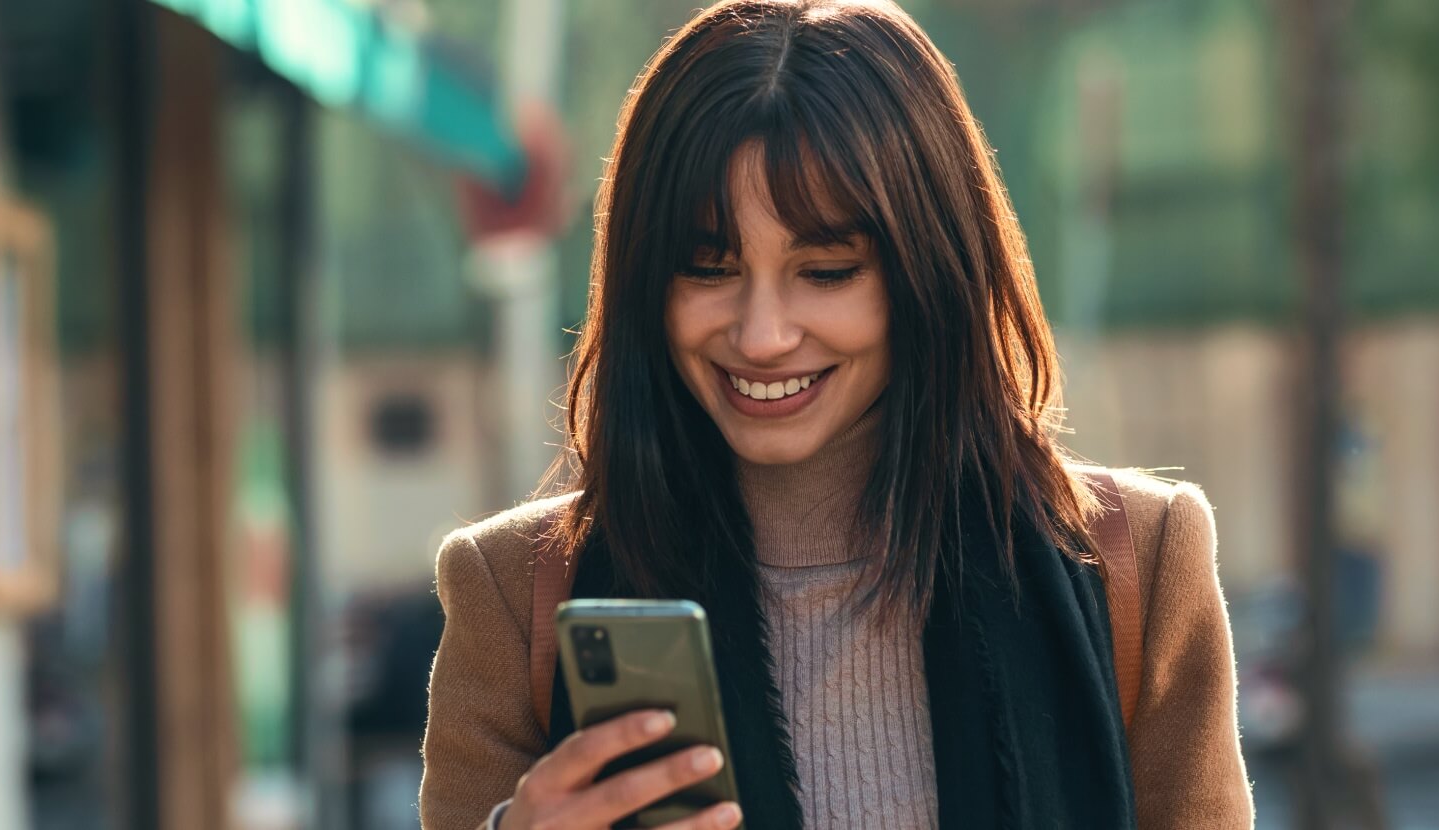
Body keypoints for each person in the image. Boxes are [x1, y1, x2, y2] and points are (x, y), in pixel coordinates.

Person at [419, 1, 1252, 827]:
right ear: (645, 281)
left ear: (928, 272)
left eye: (826, 270)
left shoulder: (1137, 566)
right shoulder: (514, 593)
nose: (763, 334)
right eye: (709, 269)